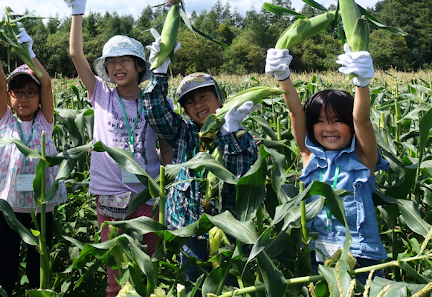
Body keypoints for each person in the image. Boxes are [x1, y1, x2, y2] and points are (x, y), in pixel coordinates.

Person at [63, 0, 173, 296]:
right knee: (115, 270)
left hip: (147, 194)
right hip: (110, 193)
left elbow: (166, 143)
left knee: (147, 266)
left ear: (140, 66)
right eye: (111, 62)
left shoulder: (155, 100)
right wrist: (77, 12)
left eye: (125, 60)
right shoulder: (101, 94)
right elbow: (75, 53)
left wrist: (167, 186)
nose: (117, 67)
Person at [141, 32, 259, 282]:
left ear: (219, 98)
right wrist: (158, 73)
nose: (197, 105)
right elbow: (155, 110)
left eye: (204, 97)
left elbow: (240, 172)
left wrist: (228, 132)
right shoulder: (183, 132)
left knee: (230, 286)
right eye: (190, 102)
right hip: (189, 232)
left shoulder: (241, 136)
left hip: (229, 232)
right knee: (191, 284)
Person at [266, 45, 387, 280]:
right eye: (320, 121)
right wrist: (283, 77)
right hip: (318, 254)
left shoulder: (363, 159)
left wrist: (361, 84)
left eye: (337, 121)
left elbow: (362, 120)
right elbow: (296, 113)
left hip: (361, 254)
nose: (329, 128)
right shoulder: (309, 156)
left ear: (350, 125)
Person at [0, 26, 66, 294]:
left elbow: (46, 82)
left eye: (30, 92)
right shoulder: (4, 122)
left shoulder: (45, 123)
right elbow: (0, 83)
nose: (23, 98)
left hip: (41, 207)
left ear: (39, 97)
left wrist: (28, 51)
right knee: (6, 266)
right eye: (17, 92)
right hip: (9, 208)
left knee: (37, 267)